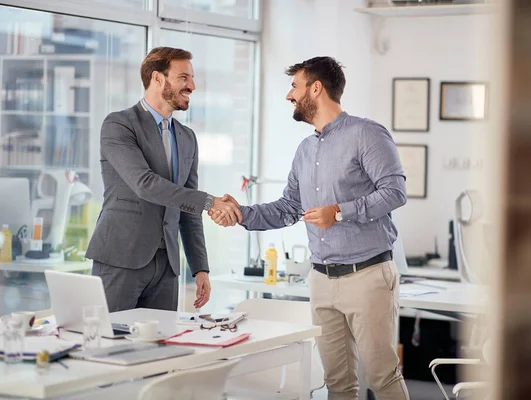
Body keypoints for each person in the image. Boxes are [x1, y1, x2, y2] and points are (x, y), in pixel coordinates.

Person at [212, 56, 410, 399]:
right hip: (321, 279)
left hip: (367, 275)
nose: (289, 95)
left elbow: (394, 193)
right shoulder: (305, 150)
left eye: (294, 86)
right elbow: (289, 208)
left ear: (315, 88)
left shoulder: (366, 133)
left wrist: (341, 212)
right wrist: (241, 212)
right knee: (337, 383)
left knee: (382, 377)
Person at [86, 47, 241, 313]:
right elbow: (145, 183)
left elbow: (187, 207)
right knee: (109, 341)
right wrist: (210, 201)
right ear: (157, 79)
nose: (191, 85)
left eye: (191, 78)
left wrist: (200, 268)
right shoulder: (119, 125)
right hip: (121, 258)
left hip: (167, 266)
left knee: (162, 348)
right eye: (183, 77)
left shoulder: (187, 137)